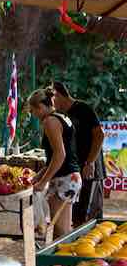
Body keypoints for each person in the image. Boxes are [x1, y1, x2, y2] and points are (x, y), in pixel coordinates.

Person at [26, 88, 81, 239]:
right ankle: (64, 260)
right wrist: (40, 175)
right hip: (70, 176)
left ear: (40, 107)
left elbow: (60, 155)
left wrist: (44, 181)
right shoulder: (62, 116)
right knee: (62, 229)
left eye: (32, 111)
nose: (33, 115)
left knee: (60, 232)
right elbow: (54, 157)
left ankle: (63, 261)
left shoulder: (50, 121)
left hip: (65, 178)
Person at [51, 82, 105, 225]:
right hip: (76, 171)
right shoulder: (62, 115)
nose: (51, 102)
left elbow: (100, 134)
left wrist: (90, 162)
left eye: (52, 97)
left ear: (58, 95)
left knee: (89, 217)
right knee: (76, 217)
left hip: (90, 169)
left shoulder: (83, 108)